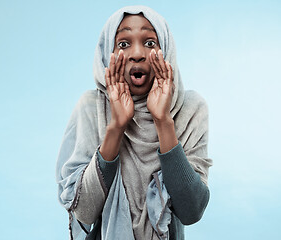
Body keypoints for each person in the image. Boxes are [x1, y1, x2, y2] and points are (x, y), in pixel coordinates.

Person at [56, 5, 213, 240]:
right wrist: (117, 127)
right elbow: (84, 211)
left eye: (150, 43)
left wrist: (163, 120)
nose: (137, 53)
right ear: (107, 51)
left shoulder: (190, 108)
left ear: (166, 50)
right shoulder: (91, 107)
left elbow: (191, 210)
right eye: (123, 44)